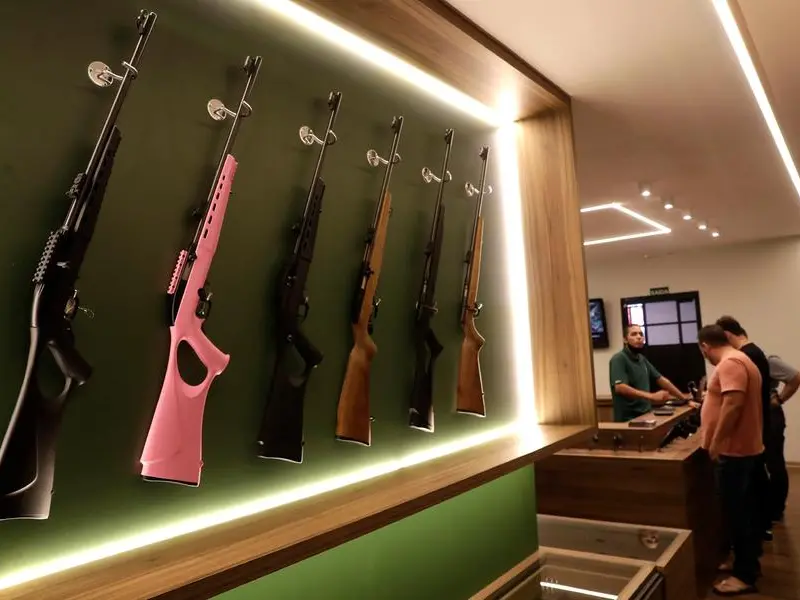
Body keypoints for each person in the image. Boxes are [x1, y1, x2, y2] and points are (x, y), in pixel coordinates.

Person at [697, 324, 763, 596]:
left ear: (705, 347)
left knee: (738, 515)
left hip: (733, 452)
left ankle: (745, 575)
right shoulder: (741, 359)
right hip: (740, 450)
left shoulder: (730, 363)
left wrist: (716, 442)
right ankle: (744, 564)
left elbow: (733, 404)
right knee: (741, 512)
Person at [715, 316, 773, 541]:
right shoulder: (751, 354)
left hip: (751, 428)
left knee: (751, 484)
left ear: (727, 335)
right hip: (757, 425)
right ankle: (761, 525)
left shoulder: (744, 357)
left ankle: (758, 528)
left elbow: (734, 402)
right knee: (756, 478)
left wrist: (717, 440)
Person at [609, 324, 691, 422]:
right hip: (628, 420)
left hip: (646, 415)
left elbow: (661, 379)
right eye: (634, 334)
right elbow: (620, 387)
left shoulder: (642, 359)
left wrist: (684, 399)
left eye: (641, 334)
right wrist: (652, 396)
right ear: (625, 340)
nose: (639, 337)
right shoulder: (619, 358)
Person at [766, 354, 800, 522]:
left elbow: (795, 377)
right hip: (761, 417)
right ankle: (770, 505)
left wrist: (779, 399)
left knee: (775, 463)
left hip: (771, 416)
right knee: (767, 463)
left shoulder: (768, 360)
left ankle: (776, 509)